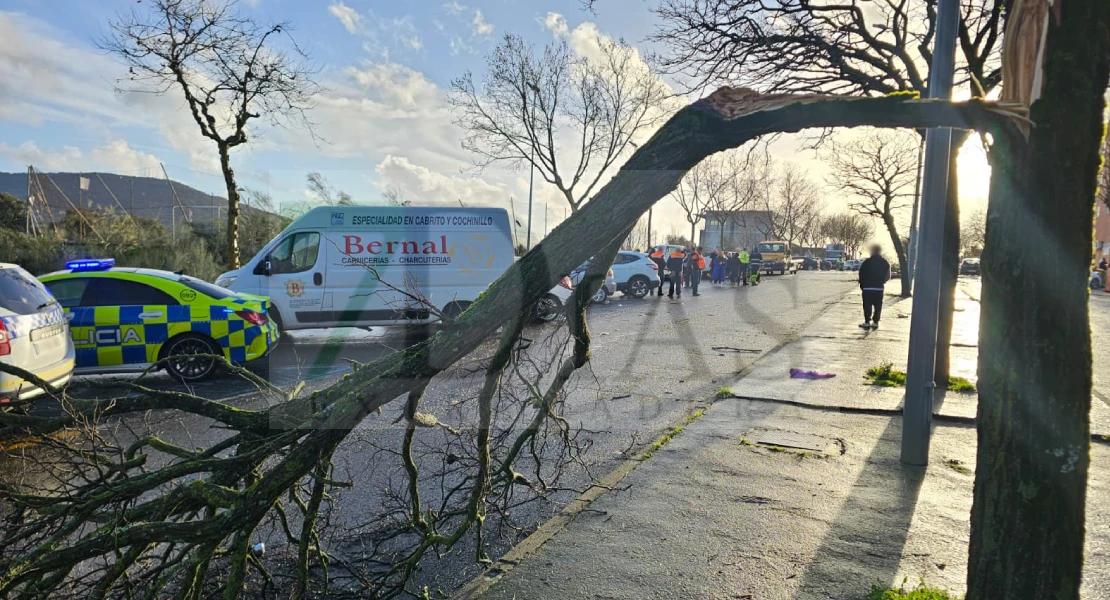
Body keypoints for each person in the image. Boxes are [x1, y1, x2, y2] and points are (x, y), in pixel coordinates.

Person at [858, 244, 891, 329]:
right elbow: (888, 275)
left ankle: (867, 321)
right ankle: (876, 322)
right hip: (878, 288)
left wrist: (862, 284)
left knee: (867, 305)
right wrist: (882, 282)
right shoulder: (885, 262)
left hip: (867, 287)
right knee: (878, 305)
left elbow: (861, 274)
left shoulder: (866, 262)